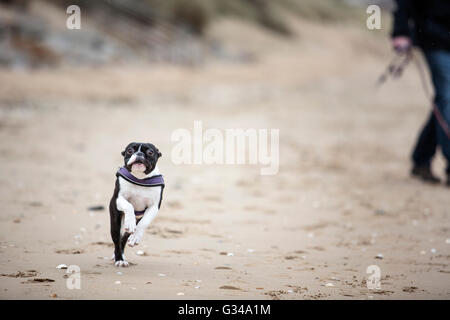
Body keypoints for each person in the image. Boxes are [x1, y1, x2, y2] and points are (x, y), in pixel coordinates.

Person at [391, 0, 450, 186]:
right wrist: (400, 31)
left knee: (444, 101)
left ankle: (421, 159)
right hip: (434, 37)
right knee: (446, 96)